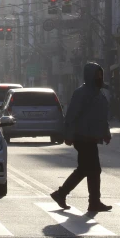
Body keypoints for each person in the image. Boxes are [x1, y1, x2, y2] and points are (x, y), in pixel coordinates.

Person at [50, 62, 112, 213]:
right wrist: (68, 135)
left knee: (87, 169)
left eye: (101, 74)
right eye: (97, 75)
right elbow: (71, 116)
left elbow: (102, 117)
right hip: (82, 137)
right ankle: (90, 201)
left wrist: (106, 132)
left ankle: (67, 195)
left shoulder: (99, 93)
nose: (99, 77)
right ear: (90, 76)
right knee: (92, 169)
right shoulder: (81, 93)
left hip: (92, 137)